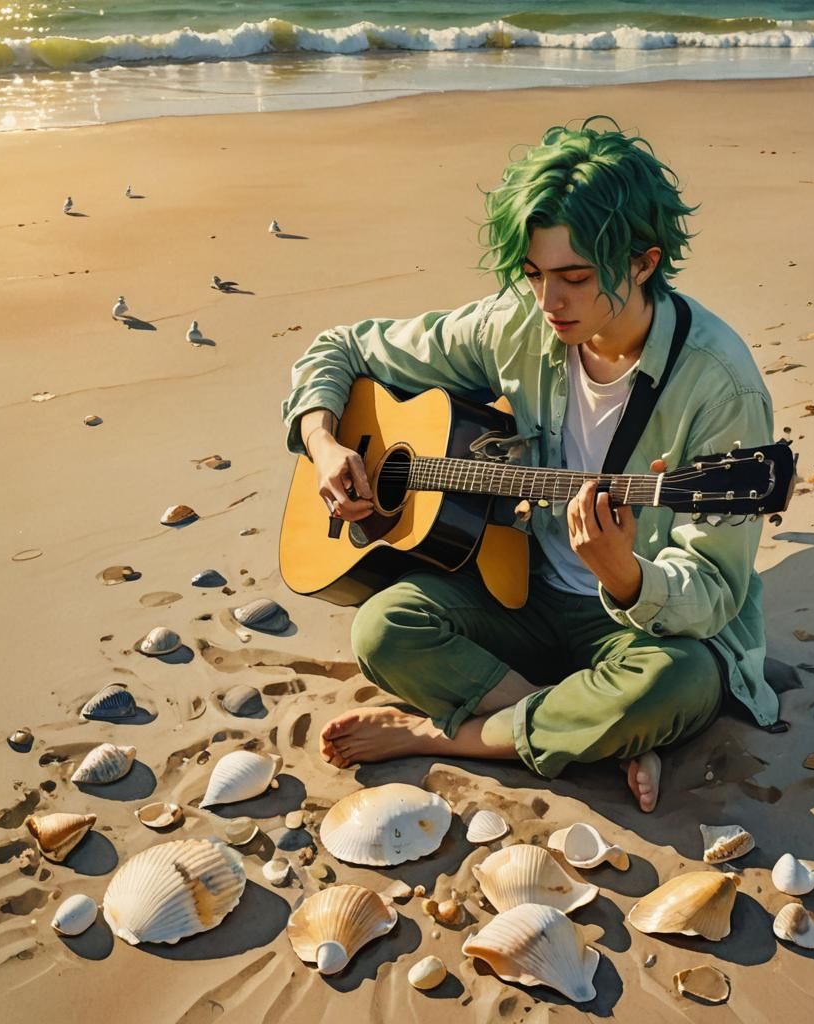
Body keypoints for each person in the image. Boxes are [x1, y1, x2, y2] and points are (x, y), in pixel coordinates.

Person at [281, 116, 778, 812]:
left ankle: (442, 735)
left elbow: (717, 589)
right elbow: (341, 349)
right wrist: (324, 440)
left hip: (643, 627)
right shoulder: (517, 323)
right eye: (535, 274)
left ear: (644, 262)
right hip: (521, 592)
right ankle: (581, 724)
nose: (549, 302)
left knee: (684, 684)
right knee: (382, 629)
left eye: (575, 277)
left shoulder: (721, 387)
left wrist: (627, 575)